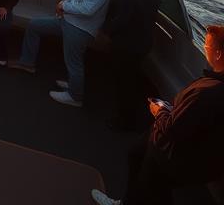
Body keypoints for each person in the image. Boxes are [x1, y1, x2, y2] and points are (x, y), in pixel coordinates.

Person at [91, 24, 224, 205]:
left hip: (175, 154)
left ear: (218, 54)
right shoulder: (213, 86)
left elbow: (171, 130)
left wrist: (159, 110)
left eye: (208, 46)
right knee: (137, 157)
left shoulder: (207, 92)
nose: (205, 49)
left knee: (152, 185)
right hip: (202, 158)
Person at [9, 0, 111, 107]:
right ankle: (27, 63)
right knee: (34, 25)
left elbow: (87, 9)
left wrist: (63, 5)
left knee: (74, 62)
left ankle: (75, 96)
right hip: (67, 20)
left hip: (80, 28)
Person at [101, 0, 161, 130]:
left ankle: (122, 120)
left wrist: (105, 29)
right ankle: (131, 115)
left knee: (123, 83)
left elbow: (120, 22)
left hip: (126, 47)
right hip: (143, 45)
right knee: (132, 80)